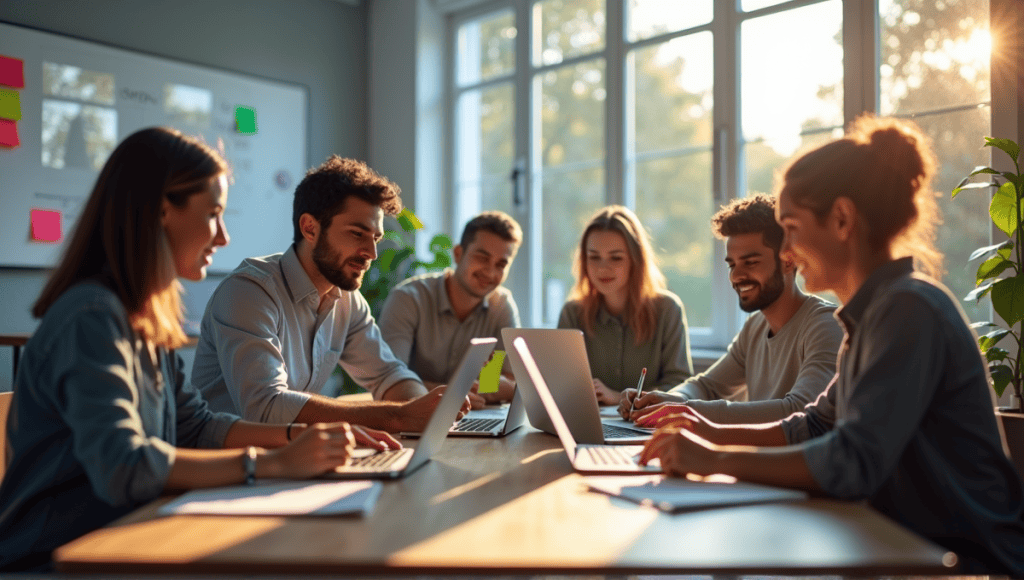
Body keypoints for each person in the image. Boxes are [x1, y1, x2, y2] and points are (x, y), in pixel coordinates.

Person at [639, 116, 1024, 576]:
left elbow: (851, 461)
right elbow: (814, 425)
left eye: (793, 229)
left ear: (841, 219)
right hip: (904, 548)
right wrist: (709, 433)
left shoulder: (908, 310)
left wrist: (715, 458)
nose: (787, 253)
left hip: (970, 566)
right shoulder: (872, 316)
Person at [0, 128, 396, 572]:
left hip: (133, 537)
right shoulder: (91, 317)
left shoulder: (142, 318)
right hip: (55, 559)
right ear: (162, 211)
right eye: (213, 215)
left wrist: (296, 438)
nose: (223, 237)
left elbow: (195, 428)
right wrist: (269, 464)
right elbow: (125, 466)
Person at [191, 156, 469, 433]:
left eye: (375, 238)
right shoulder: (250, 291)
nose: (371, 254)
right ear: (310, 228)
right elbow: (266, 408)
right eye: (357, 234)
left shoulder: (346, 299)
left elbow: (387, 374)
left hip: (291, 456)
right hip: (226, 462)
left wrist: (428, 408)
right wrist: (400, 416)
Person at [619, 193, 843, 424]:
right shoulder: (755, 328)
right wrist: (666, 400)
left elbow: (799, 411)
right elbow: (705, 386)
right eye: (732, 264)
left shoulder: (825, 326)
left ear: (788, 260)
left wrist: (683, 409)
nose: (736, 276)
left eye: (751, 262)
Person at [379, 211, 521, 408]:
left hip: (473, 416)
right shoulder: (409, 299)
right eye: (482, 257)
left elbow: (510, 381)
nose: (490, 272)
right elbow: (389, 379)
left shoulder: (500, 307)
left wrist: (483, 387)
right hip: (412, 417)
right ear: (457, 254)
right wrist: (456, 392)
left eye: (501, 264)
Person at [557, 205, 692, 405]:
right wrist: (491, 387)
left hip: (646, 424)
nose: (603, 268)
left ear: (635, 260)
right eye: (594, 257)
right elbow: (559, 383)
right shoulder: (572, 312)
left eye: (616, 257)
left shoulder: (668, 309)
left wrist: (621, 397)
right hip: (589, 424)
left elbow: (680, 385)